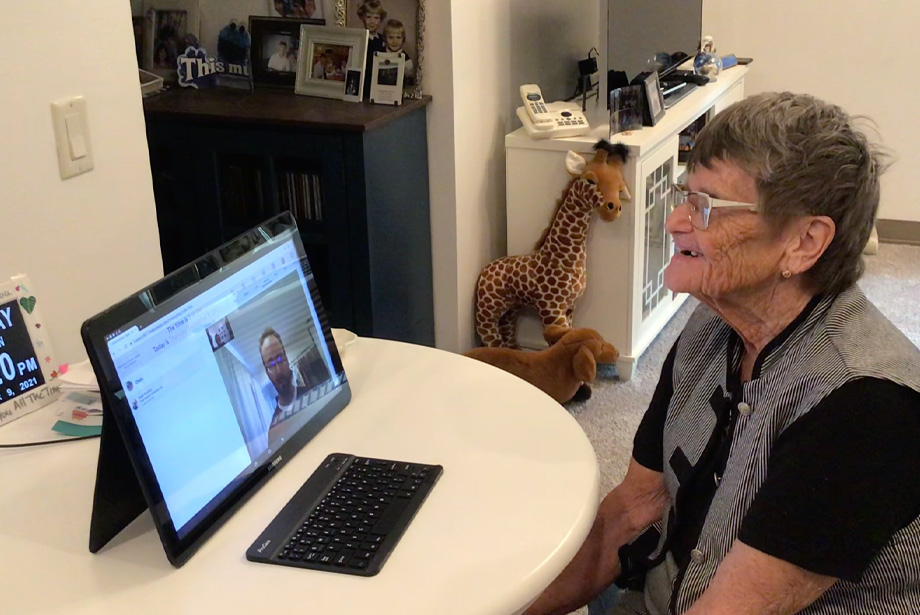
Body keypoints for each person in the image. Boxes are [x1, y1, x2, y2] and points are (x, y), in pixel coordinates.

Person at [524, 92, 920, 615]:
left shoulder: (867, 408)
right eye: (686, 198)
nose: (675, 223)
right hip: (672, 585)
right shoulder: (713, 323)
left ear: (803, 243)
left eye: (705, 206)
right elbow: (635, 508)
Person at [259, 328, 308, 446]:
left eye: (280, 359)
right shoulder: (273, 432)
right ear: (267, 372)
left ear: (286, 359)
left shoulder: (313, 393)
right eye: (271, 365)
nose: (279, 370)